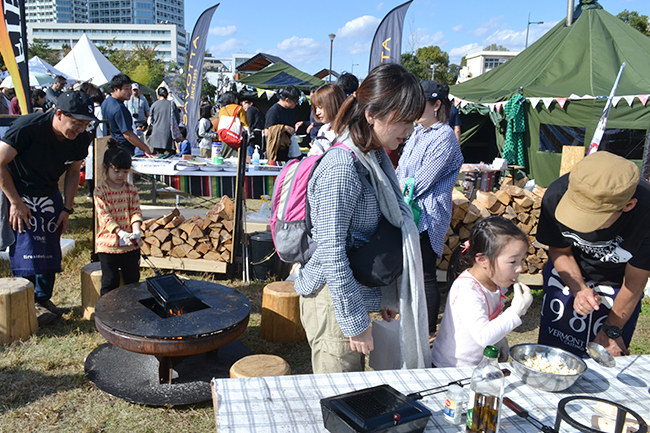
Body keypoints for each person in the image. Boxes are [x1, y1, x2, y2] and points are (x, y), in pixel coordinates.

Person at [294, 63, 430, 374]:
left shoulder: (373, 157)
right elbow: (332, 253)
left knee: (355, 393)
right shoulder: (342, 167)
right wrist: (355, 322)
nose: (410, 131)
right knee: (340, 398)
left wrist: (384, 294)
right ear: (372, 114)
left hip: (349, 293)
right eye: (405, 121)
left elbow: (372, 234)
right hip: (332, 299)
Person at [536, 151, 650, 358]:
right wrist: (579, 288)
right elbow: (560, 250)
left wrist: (611, 330)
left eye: (592, 218)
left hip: (618, 287)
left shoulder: (647, 214)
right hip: (566, 273)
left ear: (628, 206)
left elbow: (634, 283)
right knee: (553, 356)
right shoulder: (556, 195)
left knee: (604, 357)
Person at [0, 91, 96, 325]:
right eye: (77, 123)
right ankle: (26, 299)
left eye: (85, 124)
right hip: (18, 190)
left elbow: (74, 172)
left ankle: (43, 298)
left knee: (49, 244)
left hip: (48, 190)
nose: (80, 129)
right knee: (26, 247)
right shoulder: (27, 127)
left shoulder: (81, 139)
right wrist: (15, 203)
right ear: (59, 113)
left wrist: (67, 208)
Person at [395, 80, 464, 339]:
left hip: (428, 213)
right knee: (411, 270)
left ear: (436, 105)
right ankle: (413, 321)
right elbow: (401, 171)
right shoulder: (418, 133)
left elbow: (422, 180)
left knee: (425, 273)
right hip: (410, 208)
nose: (412, 109)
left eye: (418, 103)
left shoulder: (444, 136)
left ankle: (428, 332)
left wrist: (397, 190)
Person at [431, 216, 533, 367]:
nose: (520, 268)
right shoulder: (467, 290)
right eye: (513, 261)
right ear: (483, 260)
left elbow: (491, 319)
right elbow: (483, 336)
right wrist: (516, 311)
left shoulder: (497, 283)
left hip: (478, 365)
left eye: (523, 260)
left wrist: (500, 340)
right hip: (451, 368)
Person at [94, 140, 143, 296]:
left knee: (133, 280)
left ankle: (132, 310)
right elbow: (105, 217)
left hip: (130, 245)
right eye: (116, 171)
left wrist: (136, 231)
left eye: (125, 172)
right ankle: (107, 314)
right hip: (108, 245)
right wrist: (121, 233)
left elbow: (135, 211)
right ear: (105, 168)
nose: (121, 175)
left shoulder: (132, 190)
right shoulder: (100, 191)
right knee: (110, 282)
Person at [101, 73, 151, 157]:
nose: (130, 92)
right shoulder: (119, 108)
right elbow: (128, 134)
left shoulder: (106, 102)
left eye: (131, 89)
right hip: (121, 150)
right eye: (127, 89)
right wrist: (146, 148)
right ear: (116, 89)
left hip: (110, 147)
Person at [79, 83, 105, 199]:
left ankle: (90, 191)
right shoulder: (99, 109)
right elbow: (102, 129)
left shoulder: (85, 108)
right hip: (97, 140)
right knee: (96, 165)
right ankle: (94, 189)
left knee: (89, 164)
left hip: (88, 140)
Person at [264, 86, 303, 163]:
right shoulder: (274, 111)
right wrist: (284, 128)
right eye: (295, 101)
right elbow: (267, 132)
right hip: (276, 153)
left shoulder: (289, 111)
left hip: (288, 150)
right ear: (287, 100)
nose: (297, 104)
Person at [306, 83, 345, 156]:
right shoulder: (323, 129)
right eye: (316, 107)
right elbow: (312, 155)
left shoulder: (347, 132)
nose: (317, 112)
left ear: (333, 104)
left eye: (320, 107)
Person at [212, 91, 249, 159]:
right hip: (235, 138)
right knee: (236, 159)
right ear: (233, 99)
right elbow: (245, 123)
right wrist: (248, 135)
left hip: (223, 138)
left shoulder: (222, 109)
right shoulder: (239, 108)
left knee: (224, 159)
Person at [149, 87, 180, 155]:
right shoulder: (172, 104)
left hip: (156, 137)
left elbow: (151, 121)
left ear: (158, 95)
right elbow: (177, 119)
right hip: (168, 137)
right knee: (168, 159)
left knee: (157, 159)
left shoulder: (154, 105)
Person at [127, 83, 150, 156]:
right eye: (134, 90)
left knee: (141, 138)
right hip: (131, 121)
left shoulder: (143, 99)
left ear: (139, 90)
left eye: (136, 90)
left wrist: (149, 121)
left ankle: (140, 153)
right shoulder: (128, 99)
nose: (135, 92)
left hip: (141, 122)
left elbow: (147, 110)